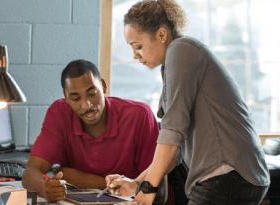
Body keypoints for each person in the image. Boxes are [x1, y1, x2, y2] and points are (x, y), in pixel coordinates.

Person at [105, 0, 270, 204]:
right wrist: (138, 184)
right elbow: (178, 150)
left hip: (227, 175)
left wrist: (149, 190)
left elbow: (172, 130)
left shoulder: (181, 50)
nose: (134, 55)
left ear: (161, 35)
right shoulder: (176, 59)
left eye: (138, 46)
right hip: (237, 176)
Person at [21, 59, 162, 202]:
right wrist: (44, 187)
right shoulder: (59, 112)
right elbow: (30, 173)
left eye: (92, 94)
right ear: (66, 96)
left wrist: (83, 180)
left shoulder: (140, 115)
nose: (86, 106)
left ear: (103, 86)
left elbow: (157, 184)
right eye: (75, 98)